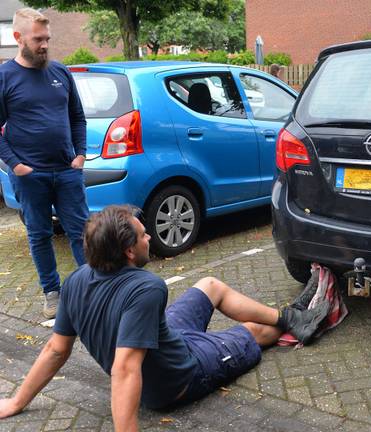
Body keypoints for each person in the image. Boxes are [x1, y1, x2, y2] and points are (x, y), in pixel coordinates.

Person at [0, 205, 328, 430]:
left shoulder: (76, 280)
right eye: (143, 235)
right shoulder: (147, 287)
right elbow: (125, 368)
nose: (149, 238)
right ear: (129, 251)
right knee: (252, 331)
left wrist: (16, 401)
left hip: (168, 340)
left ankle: (289, 316)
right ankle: (298, 323)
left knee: (210, 285)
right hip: (180, 379)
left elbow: (55, 349)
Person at [0, 8, 89, 319]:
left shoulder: (60, 72)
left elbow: (77, 117)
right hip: (29, 175)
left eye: (47, 39)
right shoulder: (5, 77)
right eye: (38, 39)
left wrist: (80, 154)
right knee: (39, 235)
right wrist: (15, 164)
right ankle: (53, 294)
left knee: (81, 232)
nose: (45, 45)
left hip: (67, 170)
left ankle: (93, 289)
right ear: (18, 38)